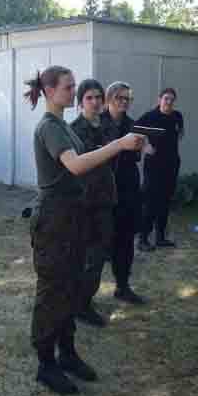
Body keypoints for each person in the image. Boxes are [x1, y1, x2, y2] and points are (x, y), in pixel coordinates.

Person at [25, 66, 145, 395]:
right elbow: (76, 165)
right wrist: (119, 144)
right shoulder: (49, 127)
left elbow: (88, 158)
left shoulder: (63, 125)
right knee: (52, 291)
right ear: (50, 91)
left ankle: (67, 353)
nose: (72, 91)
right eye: (68, 87)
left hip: (73, 217)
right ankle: (46, 363)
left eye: (73, 86)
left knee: (72, 287)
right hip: (54, 220)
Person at [69, 79, 116, 327]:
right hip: (84, 201)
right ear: (80, 102)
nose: (95, 102)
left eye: (98, 97)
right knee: (87, 256)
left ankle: (84, 299)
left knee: (99, 254)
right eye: (89, 98)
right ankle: (80, 305)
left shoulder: (108, 125)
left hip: (105, 198)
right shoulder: (73, 130)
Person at [101, 81, 147, 304]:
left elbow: (136, 157)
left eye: (128, 99)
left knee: (126, 240)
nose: (124, 102)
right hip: (101, 190)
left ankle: (123, 286)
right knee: (97, 243)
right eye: (120, 97)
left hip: (127, 189)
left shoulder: (133, 125)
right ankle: (83, 296)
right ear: (109, 99)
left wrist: (142, 146)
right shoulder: (97, 123)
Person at [137, 87, 185, 251]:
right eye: (166, 98)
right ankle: (143, 239)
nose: (169, 102)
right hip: (154, 166)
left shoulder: (177, 116)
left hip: (171, 165)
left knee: (165, 201)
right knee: (151, 202)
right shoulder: (150, 116)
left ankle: (160, 237)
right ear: (159, 100)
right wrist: (145, 146)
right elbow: (134, 130)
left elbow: (179, 133)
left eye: (172, 99)